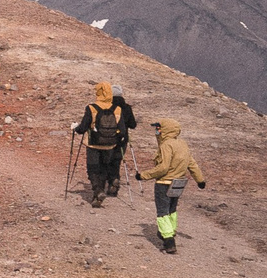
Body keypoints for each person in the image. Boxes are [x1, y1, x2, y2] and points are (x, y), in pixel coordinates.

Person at [136, 117, 206, 254]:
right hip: (179, 184)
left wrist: (143, 175)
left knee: (162, 212)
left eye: (158, 128)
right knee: (172, 210)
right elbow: (192, 164)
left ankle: (168, 241)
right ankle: (170, 232)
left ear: (166, 130)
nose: (157, 130)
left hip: (164, 183)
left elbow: (163, 168)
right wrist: (200, 180)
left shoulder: (166, 145)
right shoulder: (183, 144)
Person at [72, 82, 136, 206]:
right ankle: (103, 189)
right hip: (110, 145)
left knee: (93, 168)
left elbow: (83, 128)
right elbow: (123, 130)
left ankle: (98, 191)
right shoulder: (117, 109)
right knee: (104, 168)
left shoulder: (91, 107)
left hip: (93, 144)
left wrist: (75, 128)